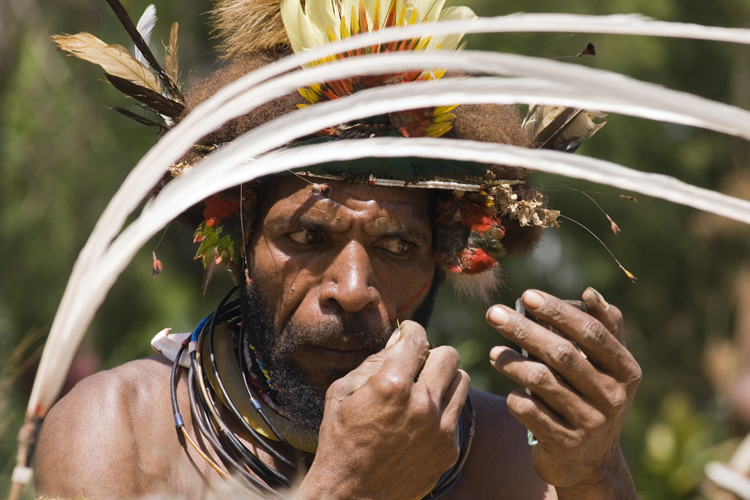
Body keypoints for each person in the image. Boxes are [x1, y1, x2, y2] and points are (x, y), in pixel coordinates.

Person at [33, 0, 641, 498]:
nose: (352, 290)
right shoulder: (117, 438)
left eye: (398, 244)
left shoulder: (513, 463)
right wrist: (349, 487)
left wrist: (597, 476)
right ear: (242, 242)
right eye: (307, 236)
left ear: (442, 259)